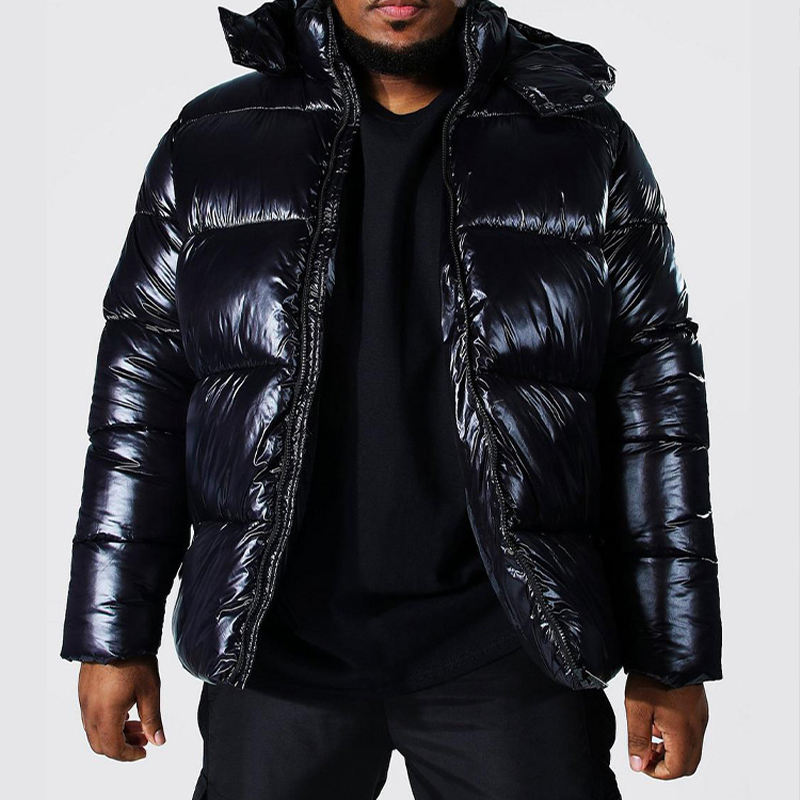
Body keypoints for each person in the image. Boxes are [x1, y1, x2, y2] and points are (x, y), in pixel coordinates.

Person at [61, 1, 724, 797]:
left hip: (513, 647)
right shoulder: (212, 141)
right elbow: (141, 402)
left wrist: (671, 656)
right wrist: (113, 634)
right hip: (276, 646)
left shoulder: (583, 141)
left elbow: (655, 406)